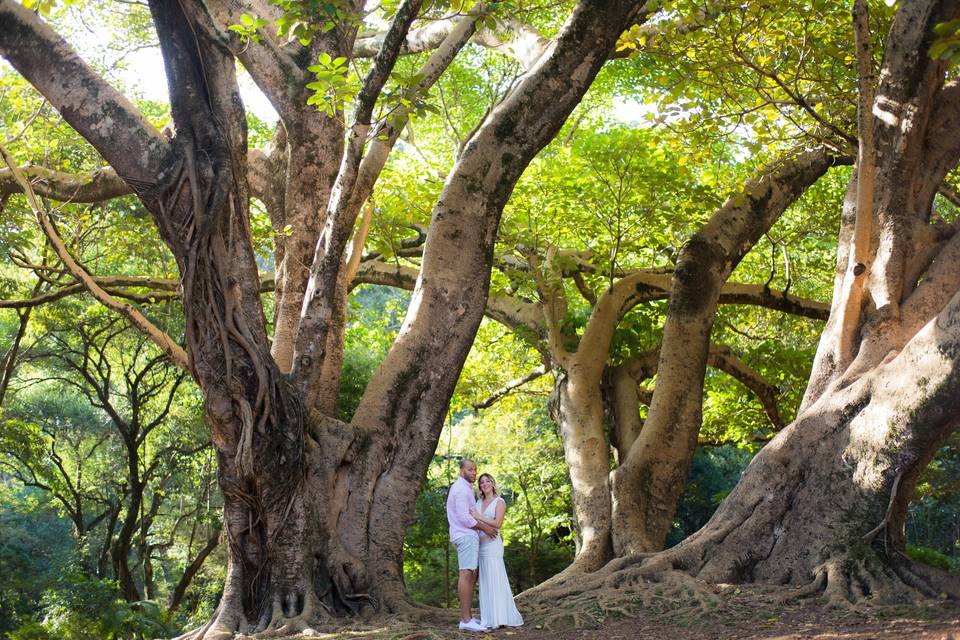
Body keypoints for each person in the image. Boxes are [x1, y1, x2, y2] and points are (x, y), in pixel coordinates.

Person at [446, 458, 498, 632]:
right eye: (470, 470)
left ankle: (468, 617)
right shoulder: (460, 489)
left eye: (475, 470)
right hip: (465, 536)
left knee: (470, 574)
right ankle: (465, 620)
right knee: (467, 574)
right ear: (462, 470)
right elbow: (464, 518)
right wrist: (486, 528)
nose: (474, 473)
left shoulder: (466, 488)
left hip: (468, 536)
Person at [469, 473, 524, 629]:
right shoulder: (478, 502)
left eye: (488, 481)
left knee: (496, 579)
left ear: (493, 484)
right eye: (482, 482)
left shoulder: (499, 502)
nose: (485, 484)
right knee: (485, 581)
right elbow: (473, 521)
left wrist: (479, 516)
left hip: (493, 546)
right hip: (480, 545)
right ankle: (490, 618)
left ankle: (502, 617)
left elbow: (498, 523)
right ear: (479, 486)